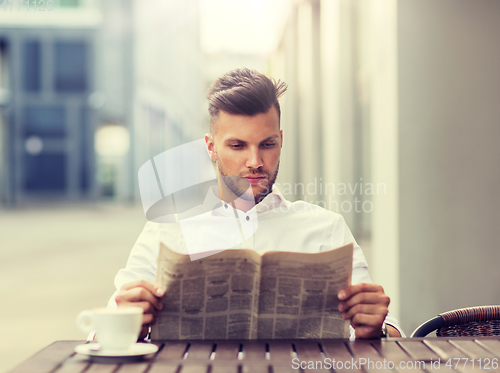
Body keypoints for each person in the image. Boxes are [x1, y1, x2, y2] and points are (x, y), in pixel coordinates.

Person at [109, 68, 404, 339]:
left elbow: (390, 332)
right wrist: (124, 321)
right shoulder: (165, 231)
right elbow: (103, 335)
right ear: (211, 147)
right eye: (237, 146)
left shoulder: (326, 229)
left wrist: (376, 327)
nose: (255, 162)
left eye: (267, 144)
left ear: (281, 140)